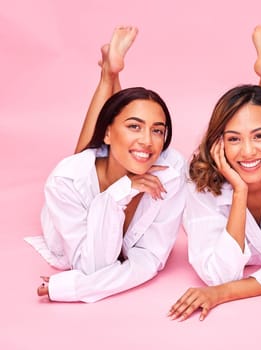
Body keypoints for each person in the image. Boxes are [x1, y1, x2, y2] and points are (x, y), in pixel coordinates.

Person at [169, 17, 261, 321]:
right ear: (219, 142)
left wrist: (223, 295)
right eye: (233, 139)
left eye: (260, 136)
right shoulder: (197, 183)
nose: (247, 150)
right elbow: (217, 273)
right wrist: (238, 192)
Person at [25, 26, 186, 302]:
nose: (149, 140)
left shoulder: (170, 170)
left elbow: (148, 261)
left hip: (109, 156)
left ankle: (110, 75)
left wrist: (69, 288)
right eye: (136, 126)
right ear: (107, 134)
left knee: (120, 145)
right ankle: (107, 78)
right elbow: (92, 266)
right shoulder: (64, 181)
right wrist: (121, 191)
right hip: (70, 216)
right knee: (82, 160)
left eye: (158, 130)